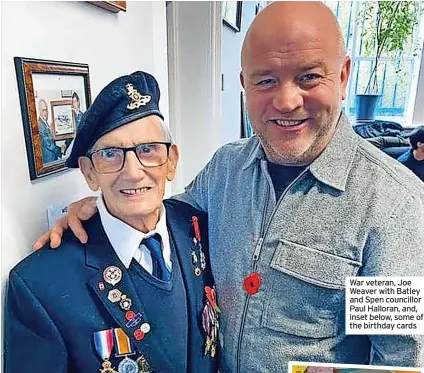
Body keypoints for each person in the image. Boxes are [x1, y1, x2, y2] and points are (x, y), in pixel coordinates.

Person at [33, 2, 424, 371]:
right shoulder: (226, 168)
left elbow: (400, 360)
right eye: (266, 80)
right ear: (244, 85)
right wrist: (98, 208)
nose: (286, 101)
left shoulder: (393, 208)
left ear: (342, 77)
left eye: (308, 76)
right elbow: (166, 220)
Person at [6, 71, 219, 373]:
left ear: (171, 161)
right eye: (110, 154)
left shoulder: (201, 229)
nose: (132, 172)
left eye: (148, 149)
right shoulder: (39, 285)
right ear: (89, 172)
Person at [38, 98, 65, 163]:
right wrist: (60, 150)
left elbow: (49, 138)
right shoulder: (39, 125)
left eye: (46, 110)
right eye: (43, 110)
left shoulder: (45, 123)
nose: (45, 112)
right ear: (39, 111)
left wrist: (51, 130)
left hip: (52, 158)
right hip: (49, 160)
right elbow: (49, 144)